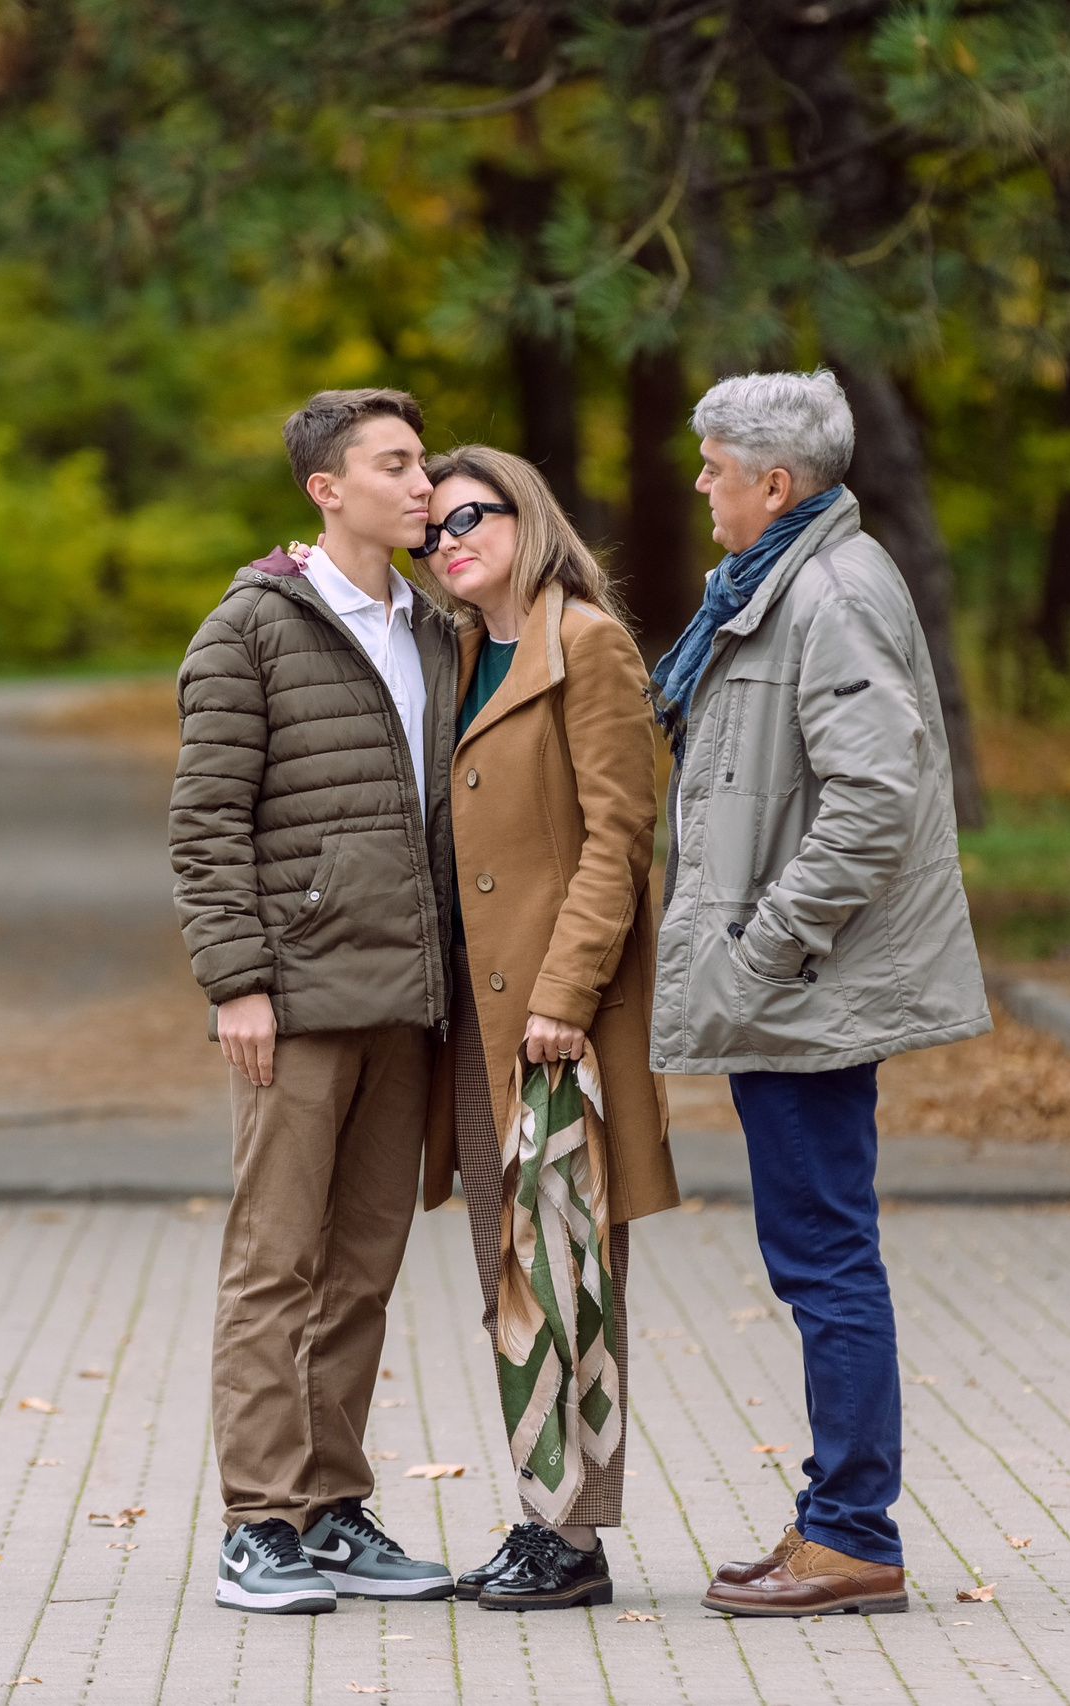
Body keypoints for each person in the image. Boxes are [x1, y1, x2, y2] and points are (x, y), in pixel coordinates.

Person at [646, 370, 989, 1617]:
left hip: (803, 993)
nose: (700, 482)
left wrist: (764, 947)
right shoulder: (780, 583)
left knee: (826, 1261)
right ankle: (833, 1522)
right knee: (819, 1258)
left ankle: (851, 1534)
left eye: (715, 464)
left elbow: (872, 800)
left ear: (773, 483)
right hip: (790, 986)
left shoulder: (829, 591)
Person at [170, 387, 461, 1615]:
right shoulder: (250, 629)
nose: (422, 485)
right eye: (394, 465)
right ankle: (258, 1524)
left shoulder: (437, 627)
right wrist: (237, 980)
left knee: (361, 1267)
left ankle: (333, 1508)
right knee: (271, 1264)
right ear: (325, 490)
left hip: (407, 996)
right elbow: (203, 824)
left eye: (424, 463)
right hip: (293, 999)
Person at [413, 444, 680, 1612]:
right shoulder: (467, 649)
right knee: (505, 1272)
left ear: (526, 511)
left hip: (557, 1025)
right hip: (478, 1020)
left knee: (569, 1271)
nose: (447, 540)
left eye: (468, 515)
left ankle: (570, 1539)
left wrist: (567, 994)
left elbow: (622, 837)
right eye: (429, 533)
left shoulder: (586, 642)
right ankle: (544, 1516)